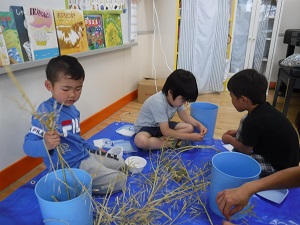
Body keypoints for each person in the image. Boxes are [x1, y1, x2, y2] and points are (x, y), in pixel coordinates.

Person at [23, 55, 126, 194]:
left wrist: (94, 149)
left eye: (78, 89)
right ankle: (80, 187)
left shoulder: (73, 109)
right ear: (49, 86)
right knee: (120, 179)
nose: (72, 94)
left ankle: (91, 177)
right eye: (66, 89)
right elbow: (28, 146)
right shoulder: (44, 113)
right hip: (70, 167)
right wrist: (46, 145)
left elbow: (76, 139)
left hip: (85, 154)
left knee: (120, 163)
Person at [217, 111, 300, 224]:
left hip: (279, 164)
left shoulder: (251, 119)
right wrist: (249, 188)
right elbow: (297, 174)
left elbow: (245, 148)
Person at [222, 69, 299, 178]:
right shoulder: (266, 109)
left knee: (237, 164)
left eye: (232, 97)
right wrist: (235, 132)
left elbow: (245, 149)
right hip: (290, 162)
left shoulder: (250, 120)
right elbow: (261, 131)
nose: (231, 100)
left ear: (243, 100)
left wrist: (229, 139)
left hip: (280, 169)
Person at [133, 69, 207, 150]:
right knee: (140, 141)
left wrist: (198, 124)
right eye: (183, 100)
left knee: (190, 127)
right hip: (147, 128)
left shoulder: (176, 99)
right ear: (170, 93)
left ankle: (162, 140)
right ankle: (170, 143)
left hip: (163, 126)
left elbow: (184, 115)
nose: (184, 103)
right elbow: (165, 131)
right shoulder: (158, 102)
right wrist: (189, 137)